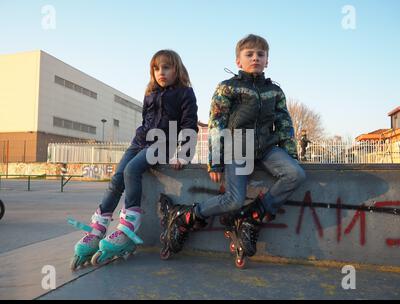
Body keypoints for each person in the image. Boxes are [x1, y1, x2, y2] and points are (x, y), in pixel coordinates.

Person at [162, 34, 306, 263]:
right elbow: (217, 123)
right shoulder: (228, 88)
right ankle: (185, 216)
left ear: (267, 60)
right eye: (249, 54)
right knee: (233, 200)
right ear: (239, 61)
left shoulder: (275, 91)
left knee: (295, 173)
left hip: (267, 148)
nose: (255, 58)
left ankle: (252, 217)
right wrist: (216, 160)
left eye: (261, 54)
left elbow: (285, 123)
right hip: (238, 148)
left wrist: (290, 154)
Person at [70, 49, 198, 270]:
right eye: (156, 69)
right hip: (140, 142)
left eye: (166, 67)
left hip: (162, 145)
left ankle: (127, 230)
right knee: (117, 178)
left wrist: (184, 154)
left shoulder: (185, 93)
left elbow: (188, 124)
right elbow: (146, 120)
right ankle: (97, 230)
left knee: (132, 171)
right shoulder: (150, 93)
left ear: (177, 69)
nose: (161, 72)